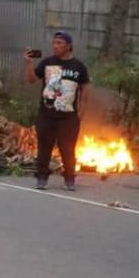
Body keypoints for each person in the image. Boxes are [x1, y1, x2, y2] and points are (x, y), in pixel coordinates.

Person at [25, 31, 90, 191]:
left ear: (68, 46)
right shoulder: (47, 63)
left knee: (67, 148)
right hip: (47, 114)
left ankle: (69, 178)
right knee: (44, 147)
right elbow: (31, 80)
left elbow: (85, 88)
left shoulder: (78, 66)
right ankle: (42, 178)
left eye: (59, 43)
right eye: (53, 43)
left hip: (68, 117)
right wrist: (28, 63)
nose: (55, 46)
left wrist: (82, 110)